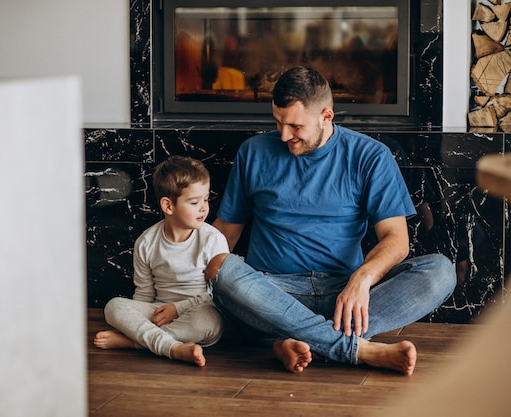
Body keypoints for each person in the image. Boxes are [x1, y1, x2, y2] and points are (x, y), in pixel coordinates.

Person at [204, 66, 456, 376]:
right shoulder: (254, 152)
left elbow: (396, 239)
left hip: (344, 296)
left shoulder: (371, 156)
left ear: (327, 116)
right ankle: (353, 349)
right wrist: (188, 283)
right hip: (270, 292)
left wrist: (361, 281)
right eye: (278, 123)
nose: (284, 135)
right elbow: (224, 235)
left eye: (295, 126)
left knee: (440, 271)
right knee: (224, 270)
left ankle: (294, 338)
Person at [94, 155, 229, 366]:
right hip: (158, 311)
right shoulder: (147, 242)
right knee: (113, 307)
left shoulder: (213, 240)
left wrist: (178, 309)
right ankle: (172, 347)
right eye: (194, 202)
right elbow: (144, 294)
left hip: (199, 309)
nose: (204, 207)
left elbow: (218, 295)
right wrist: (142, 317)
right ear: (168, 206)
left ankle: (136, 342)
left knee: (209, 320)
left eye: (205, 199)